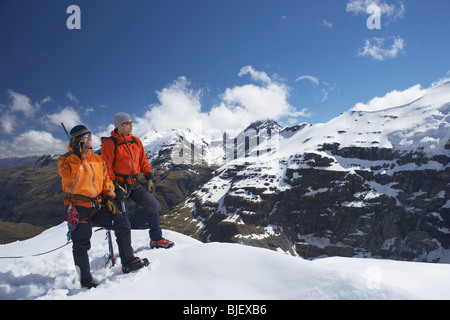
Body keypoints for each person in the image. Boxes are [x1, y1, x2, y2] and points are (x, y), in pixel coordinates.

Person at [58, 124, 148, 289]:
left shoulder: (97, 159)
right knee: (81, 242)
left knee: (122, 223)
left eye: (90, 135)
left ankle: (128, 261)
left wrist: (108, 197)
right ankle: (85, 280)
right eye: (85, 136)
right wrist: (77, 154)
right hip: (79, 207)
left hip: (98, 205)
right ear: (76, 140)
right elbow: (68, 174)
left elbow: (106, 180)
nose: (89, 138)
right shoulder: (66, 160)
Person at [101, 112, 174, 249]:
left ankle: (156, 239)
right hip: (118, 186)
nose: (131, 125)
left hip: (134, 183)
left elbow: (143, 160)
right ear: (119, 125)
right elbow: (107, 167)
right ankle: (126, 252)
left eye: (131, 122)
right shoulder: (110, 144)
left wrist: (149, 176)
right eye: (128, 123)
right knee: (121, 220)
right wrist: (115, 185)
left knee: (154, 206)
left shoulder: (136, 141)